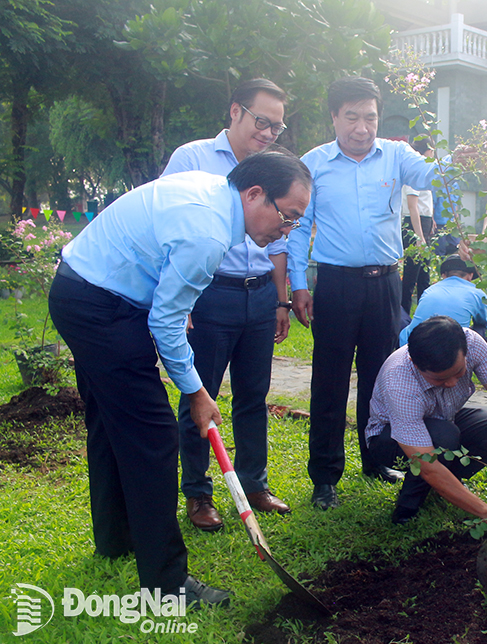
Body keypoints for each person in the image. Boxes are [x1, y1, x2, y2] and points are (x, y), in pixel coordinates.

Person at [48, 150, 311, 607]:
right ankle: (167, 584)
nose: (284, 231)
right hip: (100, 305)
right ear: (254, 194)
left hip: (81, 288)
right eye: (287, 217)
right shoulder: (207, 234)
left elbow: (169, 301)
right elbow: (166, 324)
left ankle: (116, 538)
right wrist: (197, 392)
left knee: (111, 425)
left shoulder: (212, 193)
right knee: (152, 438)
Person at [289, 77, 445, 510]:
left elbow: (433, 175)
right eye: (352, 117)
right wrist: (299, 285)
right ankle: (324, 477)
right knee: (330, 380)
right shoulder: (314, 164)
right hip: (335, 285)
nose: (362, 127)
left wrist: (463, 159)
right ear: (335, 117)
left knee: (383, 379)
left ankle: (376, 460)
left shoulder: (396, 155)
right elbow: (299, 228)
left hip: (385, 284)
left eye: (370, 117)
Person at [161, 78, 292, 532]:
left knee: (254, 396)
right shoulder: (193, 158)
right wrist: (184, 302)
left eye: (277, 126)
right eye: (262, 121)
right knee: (200, 392)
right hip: (208, 291)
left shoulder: (272, 166)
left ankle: (255, 485)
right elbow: (171, 225)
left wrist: (281, 298)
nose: (269, 132)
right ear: (235, 111)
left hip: (259, 296)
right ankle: (198, 495)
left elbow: (280, 241)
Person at [366, 316, 487, 524]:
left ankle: (448, 485)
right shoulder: (400, 383)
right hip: (389, 438)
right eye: (439, 379)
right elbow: (426, 465)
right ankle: (407, 508)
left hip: (445, 419)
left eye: (459, 373)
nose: (451, 383)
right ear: (415, 363)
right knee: (444, 437)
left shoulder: (472, 343)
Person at [399, 255, 487, 345]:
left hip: (412, 344)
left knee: (399, 312)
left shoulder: (429, 291)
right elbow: (484, 323)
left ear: (444, 275)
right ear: (470, 276)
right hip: (453, 349)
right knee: (485, 329)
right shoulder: (477, 293)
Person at [401, 138, 437, 313]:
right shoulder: (414, 170)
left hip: (424, 222)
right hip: (414, 226)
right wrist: (419, 237)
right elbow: (412, 206)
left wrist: (431, 220)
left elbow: (423, 204)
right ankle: (403, 315)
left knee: (425, 275)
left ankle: (425, 313)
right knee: (411, 275)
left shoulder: (425, 170)